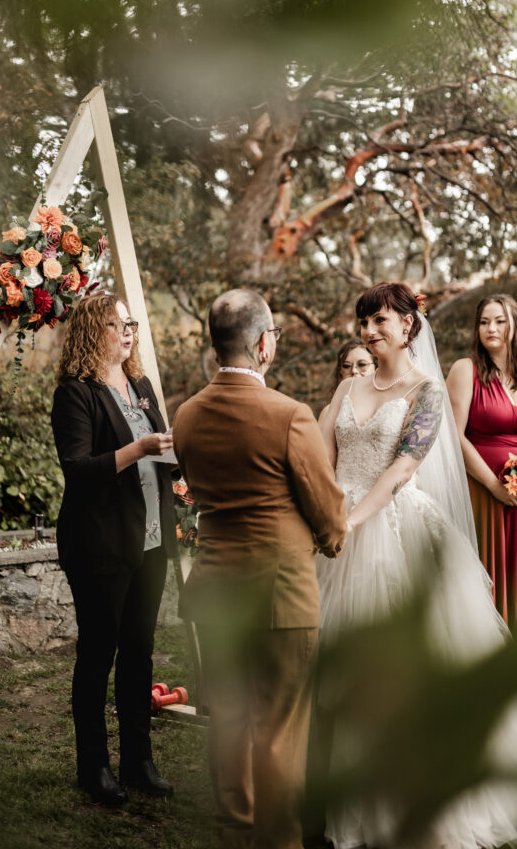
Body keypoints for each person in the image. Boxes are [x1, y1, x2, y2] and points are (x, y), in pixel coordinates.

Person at [317, 282, 517, 849]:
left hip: (393, 529)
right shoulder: (348, 386)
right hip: (338, 529)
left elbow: (403, 467)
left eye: (379, 321)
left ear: (407, 325)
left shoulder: (425, 391)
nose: (369, 331)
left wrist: (354, 522)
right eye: (363, 322)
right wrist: (327, 514)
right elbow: (322, 455)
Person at [172, 288, 347, 849]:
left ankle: (233, 834)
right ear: (264, 343)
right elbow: (327, 510)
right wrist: (331, 538)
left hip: (216, 591)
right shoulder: (289, 415)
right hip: (282, 595)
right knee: (279, 731)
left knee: (227, 722)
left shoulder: (188, 415)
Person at [51, 292, 176, 806]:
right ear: (92, 330)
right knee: (98, 654)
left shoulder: (141, 384)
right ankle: (94, 766)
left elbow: (159, 453)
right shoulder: (75, 394)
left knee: (140, 654)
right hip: (100, 542)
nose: (128, 332)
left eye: (131, 324)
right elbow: (78, 472)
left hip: (150, 539)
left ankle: (138, 761)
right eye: (117, 324)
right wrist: (140, 448)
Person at [447, 295, 517, 630]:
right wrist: (495, 486)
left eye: (499, 321)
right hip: (483, 493)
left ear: (514, 326)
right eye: (484, 322)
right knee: (487, 571)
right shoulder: (465, 370)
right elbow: (454, 436)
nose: (491, 328)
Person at [318, 339, 377, 425]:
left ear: (376, 367)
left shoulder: (388, 407)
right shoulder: (328, 412)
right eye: (346, 366)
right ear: (340, 372)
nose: (353, 370)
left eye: (362, 364)